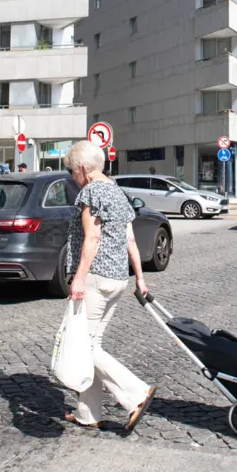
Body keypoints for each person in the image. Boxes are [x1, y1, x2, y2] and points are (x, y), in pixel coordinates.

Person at [62, 140, 157, 432]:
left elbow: (92, 238)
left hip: (95, 278)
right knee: (91, 343)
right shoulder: (117, 191)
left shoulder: (91, 192)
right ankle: (88, 413)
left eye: (71, 171)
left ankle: (135, 393)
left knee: (84, 346)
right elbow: (130, 239)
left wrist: (78, 277)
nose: (73, 177)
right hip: (117, 278)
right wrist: (139, 276)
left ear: (81, 167)